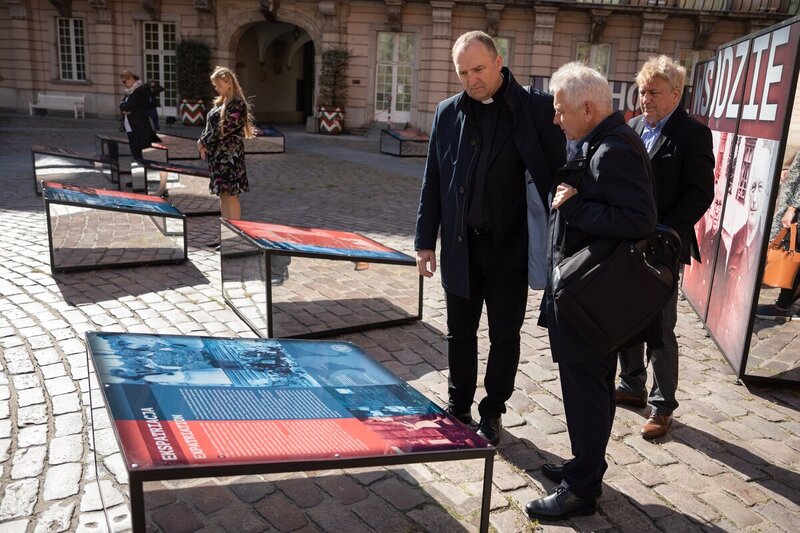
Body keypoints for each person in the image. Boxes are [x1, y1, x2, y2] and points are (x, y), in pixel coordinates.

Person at [414, 31, 565, 445]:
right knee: (459, 332)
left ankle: (492, 411)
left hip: (509, 250)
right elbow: (433, 182)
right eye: (462, 72)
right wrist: (425, 241)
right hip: (461, 248)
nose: (471, 80)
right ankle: (457, 403)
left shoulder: (535, 109)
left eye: (478, 69)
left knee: (504, 335)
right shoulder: (447, 112)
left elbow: (560, 169)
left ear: (499, 61)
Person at [526, 62, 656, 520]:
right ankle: (584, 467)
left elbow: (638, 220)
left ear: (587, 107)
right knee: (590, 388)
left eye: (561, 111)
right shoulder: (601, 142)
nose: (556, 119)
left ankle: (582, 490)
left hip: (591, 296)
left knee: (586, 390)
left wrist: (577, 209)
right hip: (585, 293)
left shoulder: (612, 149)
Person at [616, 55, 714, 440]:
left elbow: (700, 194)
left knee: (659, 327)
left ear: (676, 94)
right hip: (625, 241)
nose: (645, 99)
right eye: (642, 91)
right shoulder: (635, 126)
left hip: (662, 245)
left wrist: (663, 229)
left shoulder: (693, 134)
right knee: (624, 318)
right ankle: (632, 385)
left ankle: (662, 405)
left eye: (653, 92)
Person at [198, 66, 255, 222]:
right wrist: (202, 140)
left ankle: (235, 234)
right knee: (223, 195)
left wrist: (203, 142)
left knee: (231, 195)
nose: (216, 88)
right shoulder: (220, 103)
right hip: (217, 155)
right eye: (215, 85)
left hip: (230, 156)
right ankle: (225, 236)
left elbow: (224, 129)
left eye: (218, 85)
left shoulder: (237, 104)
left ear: (229, 83)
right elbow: (210, 127)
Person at [756, 150, 800, 319]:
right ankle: (783, 304)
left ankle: (781, 306)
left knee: (792, 256)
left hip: (796, 209)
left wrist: (792, 208)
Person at [119, 70, 160, 161]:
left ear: (130, 79)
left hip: (137, 123)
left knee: (137, 148)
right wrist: (124, 107)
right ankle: (138, 168)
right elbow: (122, 104)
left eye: (124, 81)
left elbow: (129, 106)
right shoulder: (130, 91)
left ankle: (140, 169)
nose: (124, 84)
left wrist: (125, 107)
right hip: (130, 123)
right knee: (134, 149)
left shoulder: (139, 90)